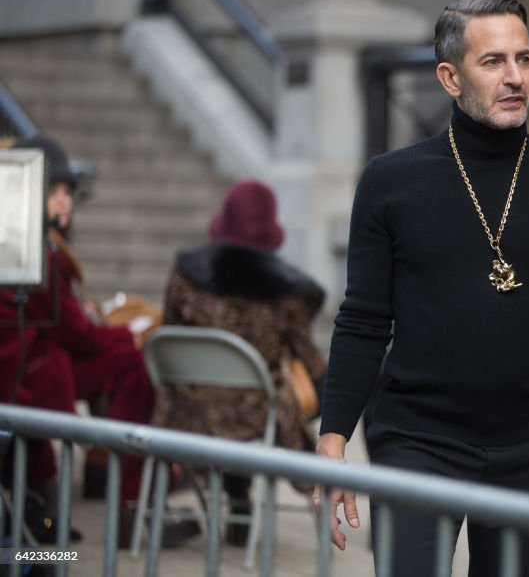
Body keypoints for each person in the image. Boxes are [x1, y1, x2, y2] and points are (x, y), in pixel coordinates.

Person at [313, 0, 529, 577]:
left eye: (524, 59)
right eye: (493, 61)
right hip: (416, 442)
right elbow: (364, 319)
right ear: (450, 76)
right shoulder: (390, 182)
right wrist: (334, 437)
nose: (515, 76)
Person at [0, 135, 197, 547]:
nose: (64, 201)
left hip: (28, 364)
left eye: (67, 192)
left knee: (126, 357)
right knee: (130, 361)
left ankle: (110, 482)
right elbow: (74, 333)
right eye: (53, 190)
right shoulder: (31, 247)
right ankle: (129, 501)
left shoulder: (34, 242)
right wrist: (129, 331)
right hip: (23, 372)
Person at [155, 178, 327, 545]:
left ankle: (233, 499)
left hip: (186, 410)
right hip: (254, 419)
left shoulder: (184, 275)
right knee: (276, 400)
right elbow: (311, 362)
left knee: (228, 395)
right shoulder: (286, 294)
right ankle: (242, 501)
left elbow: (170, 332)